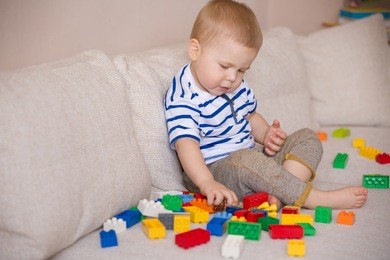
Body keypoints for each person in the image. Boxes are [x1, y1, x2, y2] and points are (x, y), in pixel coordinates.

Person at [164, 0, 368, 210]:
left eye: (242, 70)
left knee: (308, 138)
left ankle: (279, 195)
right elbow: (186, 145)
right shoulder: (183, 97)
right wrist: (206, 182)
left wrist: (266, 135)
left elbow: (251, 117)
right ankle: (314, 199)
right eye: (225, 66)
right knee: (248, 161)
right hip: (215, 171)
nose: (232, 78)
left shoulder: (235, 85)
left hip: (252, 159)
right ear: (195, 50)